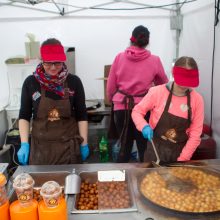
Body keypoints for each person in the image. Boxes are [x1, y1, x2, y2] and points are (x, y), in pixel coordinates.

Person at [17, 38, 89, 165]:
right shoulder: (31, 83)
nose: (53, 68)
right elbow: (24, 115)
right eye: (48, 63)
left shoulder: (74, 82)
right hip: (40, 150)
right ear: (42, 60)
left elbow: (81, 115)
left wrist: (84, 143)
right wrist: (24, 143)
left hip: (68, 150)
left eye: (58, 63)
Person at [107, 25, 168, 162]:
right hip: (144, 108)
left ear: (131, 39)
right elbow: (163, 84)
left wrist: (113, 100)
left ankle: (120, 180)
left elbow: (111, 86)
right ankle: (144, 180)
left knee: (124, 147)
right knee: (143, 147)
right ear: (147, 41)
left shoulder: (119, 57)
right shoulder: (155, 60)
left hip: (121, 107)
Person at [132, 56, 204, 163]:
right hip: (154, 151)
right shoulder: (157, 92)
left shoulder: (197, 100)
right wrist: (143, 126)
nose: (184, 85)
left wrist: (182, 160)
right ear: (173, 73)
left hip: (180, 154)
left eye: (187, 82)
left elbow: (195, 135)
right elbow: (137, 112)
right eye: (182, 80)